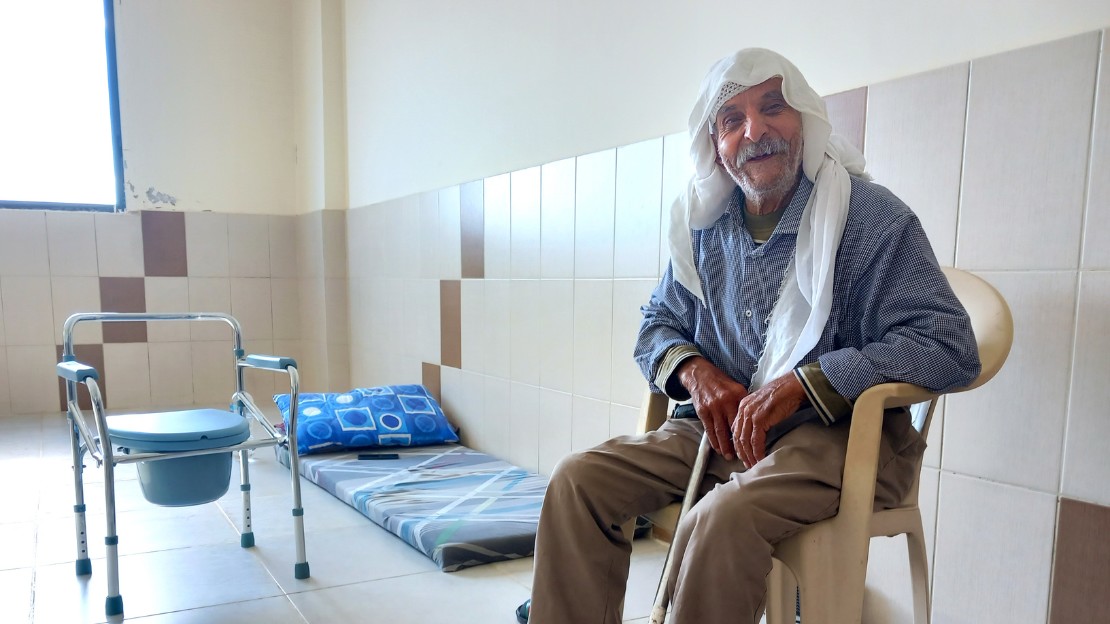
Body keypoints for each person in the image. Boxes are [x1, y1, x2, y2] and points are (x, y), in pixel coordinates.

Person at [515, 48, 980, 624]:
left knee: (721, 519)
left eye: (772, 108)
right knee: (576, 482)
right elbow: (656, 326)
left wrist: (808, 383)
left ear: (803, 120)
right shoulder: (706, 227)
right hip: (721, 434)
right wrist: (696, 373)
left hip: (838, 440)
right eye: (732, 120)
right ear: (716, 145)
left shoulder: (870, 218)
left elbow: (949, 345)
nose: (754, 131)